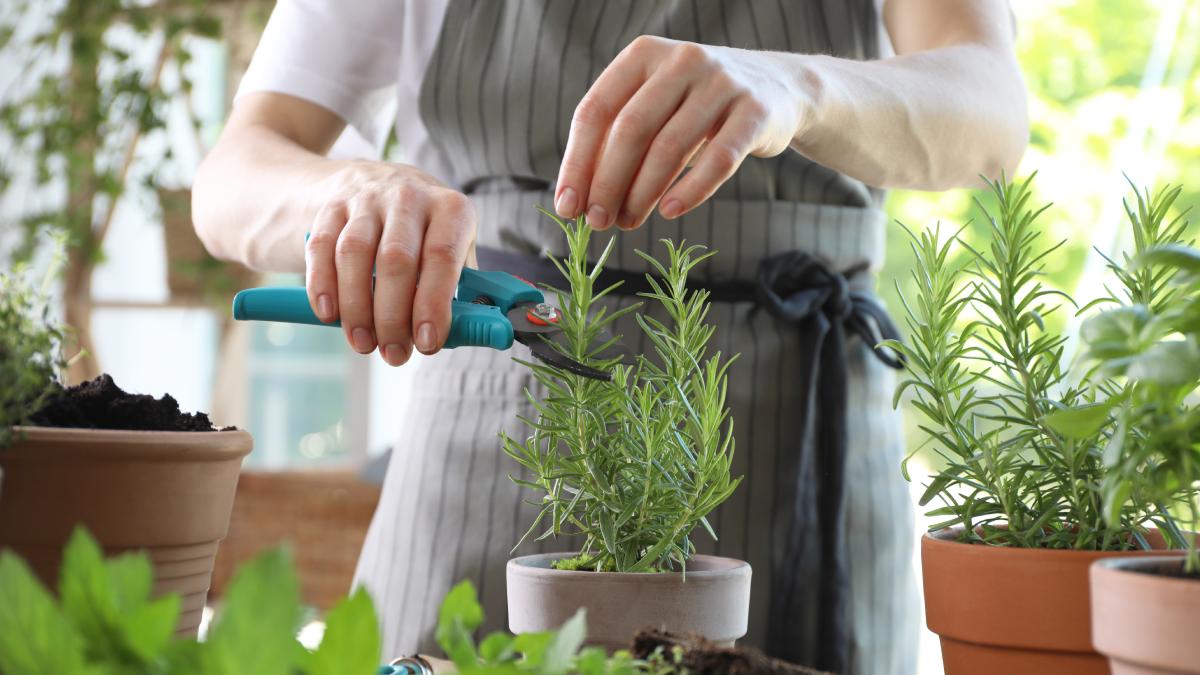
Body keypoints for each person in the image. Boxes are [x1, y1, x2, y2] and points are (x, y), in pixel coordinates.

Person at [193, 1, 1027, 673]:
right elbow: (235, 175)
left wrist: (803, 86)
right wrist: (349, 193)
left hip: (805, 450)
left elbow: (990, 107)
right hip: (489, 447)